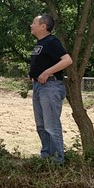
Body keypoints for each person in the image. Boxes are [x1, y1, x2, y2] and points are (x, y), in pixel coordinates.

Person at [29, 14, 73, 163]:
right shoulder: (39, 43)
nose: (31, 25)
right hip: (39, 87)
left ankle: (57, 160)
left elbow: (67, 60)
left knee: (51, 125)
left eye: (34, 22)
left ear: (43, 26)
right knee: (41, 126)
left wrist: (47, 72)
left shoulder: (51, 41)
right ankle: (46, 157)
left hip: (50, 86)